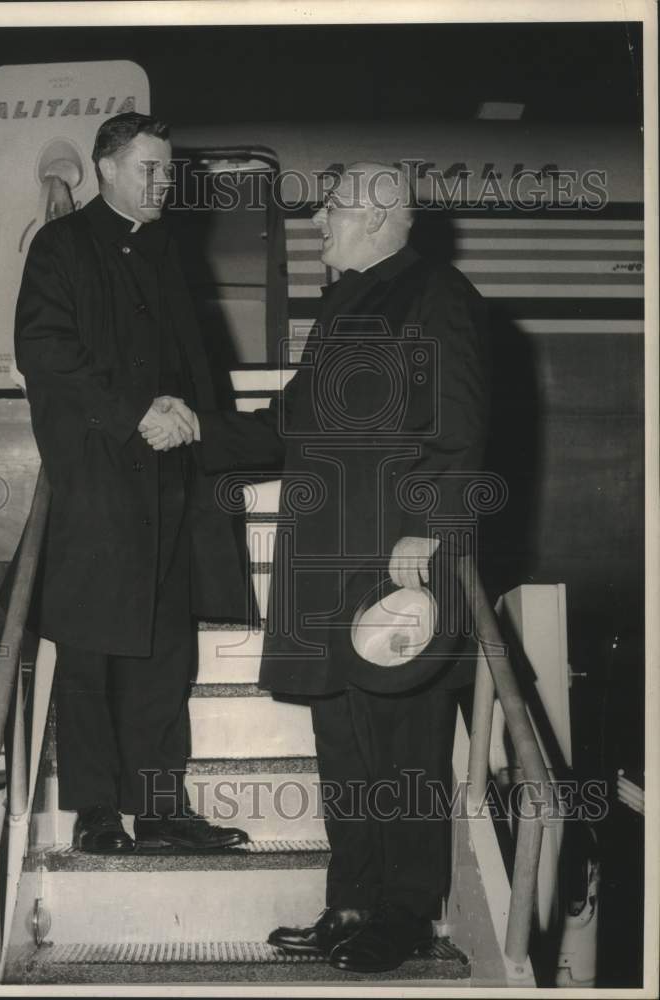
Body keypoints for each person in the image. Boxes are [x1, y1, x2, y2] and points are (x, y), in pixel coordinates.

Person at [153, 162, 489, 972]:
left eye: (331, 210)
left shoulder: (434, 297)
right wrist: (193, 428)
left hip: (393, 562)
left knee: (403, 747)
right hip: (331, 562)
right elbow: (288, 425)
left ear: (375, 219)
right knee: (343, 744)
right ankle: (352, 903)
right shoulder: (347, 304)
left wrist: (431, 532)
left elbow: (462, 429)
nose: (317, 225)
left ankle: (403, 915)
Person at [12, 112, 252, 854]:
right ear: (107, 168)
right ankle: (93, 814)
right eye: (150, 168)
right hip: (102, 485)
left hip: (172, 484)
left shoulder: (169, 250)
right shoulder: (60, 247)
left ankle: (159, 808)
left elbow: (193, 359)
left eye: (168, 168)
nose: (163, 181)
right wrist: (133, 414)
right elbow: (42, 350)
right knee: (90, 651)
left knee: (164, 653)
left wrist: (193, 421)